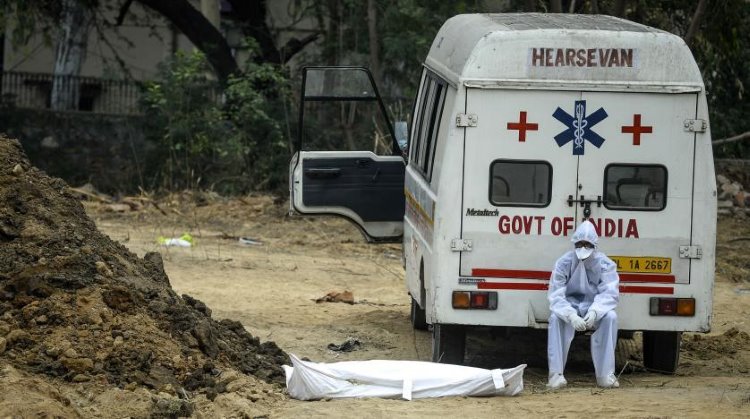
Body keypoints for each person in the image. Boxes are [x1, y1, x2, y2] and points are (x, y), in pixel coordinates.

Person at [547, 220, 620, 389]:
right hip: (570, 307)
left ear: (594, 245)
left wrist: (595, 311)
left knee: (611, 316)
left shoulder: (605, 264)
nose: (583, 247)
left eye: (587, 244)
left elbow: (609, 292)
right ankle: (555, 375)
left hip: (593, 308)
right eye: (580, 243)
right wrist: (570, 315)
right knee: (555, 319)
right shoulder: (563, 263)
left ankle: (605, 374)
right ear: (574, 243)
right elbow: (556, 294)